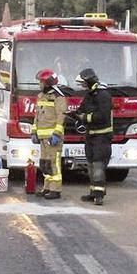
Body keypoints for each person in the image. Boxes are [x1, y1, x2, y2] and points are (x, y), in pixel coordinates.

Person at [72, 68, 112, 206]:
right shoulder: (90, 95)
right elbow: (82, 109)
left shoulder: (103, 95)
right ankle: (93, 193)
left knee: (98, 166)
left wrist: (85, 117)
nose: (82, 86)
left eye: (83, 83)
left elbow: (103, 116)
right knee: (90, 165)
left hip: (102, 137)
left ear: (89, 82)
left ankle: (99, 195)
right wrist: (75, 114)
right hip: (90, 136)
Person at [32, 69, 66, 200]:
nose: (39, 84)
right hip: (42, 137)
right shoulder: (41, 96)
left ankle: (55, 189)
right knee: (45, 163)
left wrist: (57, 134)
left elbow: (61, 118)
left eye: (41, 82)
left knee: (54, 163)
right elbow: (37, 116)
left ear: (48, 83)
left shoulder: (58, 97)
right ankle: (47, 187)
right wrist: (34, 131)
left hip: (53, 137)